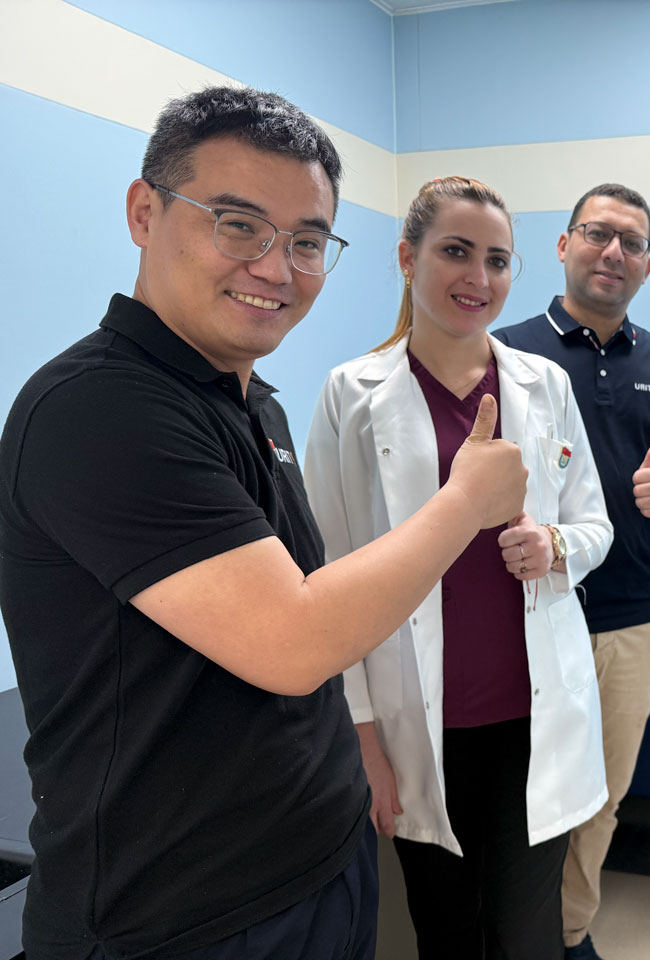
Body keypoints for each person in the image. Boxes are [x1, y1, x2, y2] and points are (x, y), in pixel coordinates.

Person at [0, 89, 526, 960]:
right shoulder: (97, 409)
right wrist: (466, 501)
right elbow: (296, 638)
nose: (278, 268)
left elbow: (317, 599)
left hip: (316, 862)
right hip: (183, 916)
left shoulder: (255, 406)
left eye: (308, 242)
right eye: (238, 225)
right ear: (144, 212)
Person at [304, 176, 613, 960]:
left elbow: (595, 525)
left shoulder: (545, 385)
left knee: (526, 937)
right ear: (408, 258)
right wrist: (362, 738)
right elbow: (327, 577)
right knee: (446, 931)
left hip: (530, 718)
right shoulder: (352, 393)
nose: (479, 277)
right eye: (455, 251)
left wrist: (555, 547)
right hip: (414, 721)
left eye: (497, 260)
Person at [493, 183, 650, 960]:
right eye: (596, 233)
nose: (613, 252)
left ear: (648, 264)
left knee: (602, 798)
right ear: (563, 246)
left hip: (629, 617)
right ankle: (512, 934)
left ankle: (567, 932)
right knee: (517, 795)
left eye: (632, 242)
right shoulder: (506, 353)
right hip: (523, 614)